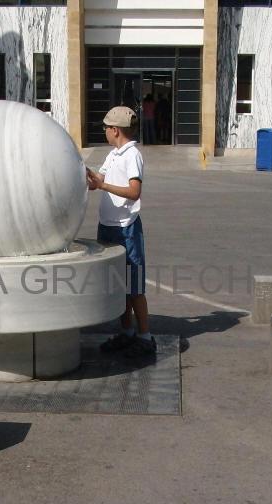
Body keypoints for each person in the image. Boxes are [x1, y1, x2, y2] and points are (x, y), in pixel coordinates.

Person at [85, 106, 157, 357]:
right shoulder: (114, 154)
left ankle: (145, 336)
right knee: (118, 285)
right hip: (107, 225)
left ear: (115, 130)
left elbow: (134, 191)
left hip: (126, 228)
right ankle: (126, 332)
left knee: (134, 284)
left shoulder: (131, 155)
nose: (104, 131)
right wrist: (80, 171)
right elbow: (97, 181)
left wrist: (103, 185)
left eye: (106, 128)